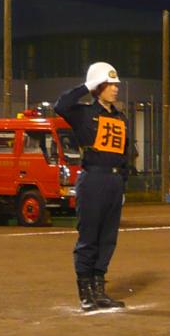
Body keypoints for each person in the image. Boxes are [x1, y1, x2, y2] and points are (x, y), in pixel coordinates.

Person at [54, 61, 134, 311]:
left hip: (113, 181)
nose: (115, 88)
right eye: (109, 84)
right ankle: (85, 292)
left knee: (108, 238)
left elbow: (125, 154)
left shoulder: (120, 118)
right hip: (93, 179)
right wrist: (87, 86)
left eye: (116, 84)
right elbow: (61, 105)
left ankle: (99, 289)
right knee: (88, 237)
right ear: (98, 87)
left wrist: (122, 185)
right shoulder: (83, 113)